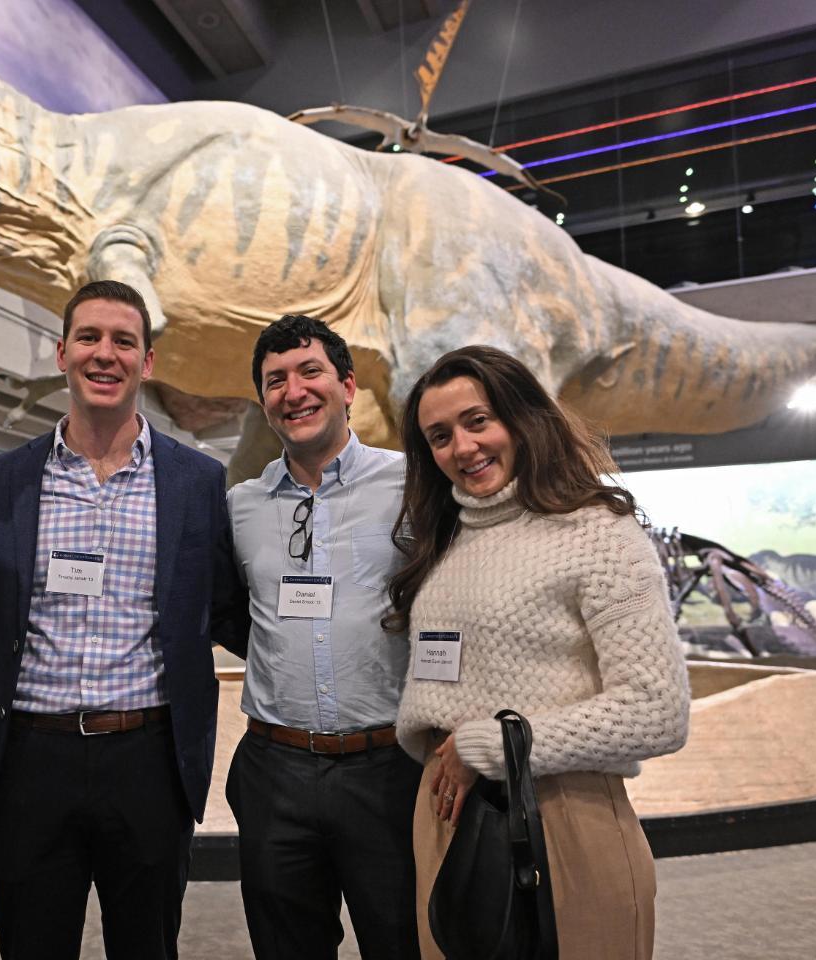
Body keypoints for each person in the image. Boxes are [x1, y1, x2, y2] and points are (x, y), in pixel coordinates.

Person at [386, 345, 691, 960]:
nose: (463, 448)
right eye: (440, 436)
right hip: (447, 818)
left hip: (563, 817)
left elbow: (658, 710)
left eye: (478, 421)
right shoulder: (444, 542)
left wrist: (495, 744)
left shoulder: (599, 534)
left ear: (522, 418)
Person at [0, 279, 237, 960]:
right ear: (62, 352)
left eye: (124, 341)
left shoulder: (196, 483)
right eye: (89, 337)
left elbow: (229, 605)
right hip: (32, 756)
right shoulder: (2, 481)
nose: (105, 353)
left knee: (148, 946)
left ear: (147, 361)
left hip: (147, 756)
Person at [223, 314, 420, 959]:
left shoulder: (413, 486)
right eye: (275, 380)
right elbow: (229, 611)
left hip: (388, 770)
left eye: (310, 372)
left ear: (348, 386)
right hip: (274, 769)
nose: (293, 391)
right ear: (263, 402)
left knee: (403, 942)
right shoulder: (242, 505)